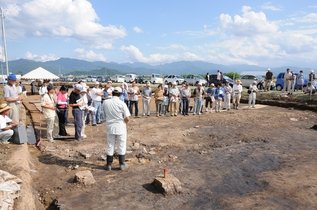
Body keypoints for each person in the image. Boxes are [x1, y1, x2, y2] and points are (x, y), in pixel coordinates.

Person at [102, 87, 131, 171]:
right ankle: (121, 164)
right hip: (120, 126)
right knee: (121, 144)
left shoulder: (105, 102)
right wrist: (124, 122)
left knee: (110, 144)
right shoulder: (122, 104)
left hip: (110, 126)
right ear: (120, 94)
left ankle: (108, 164)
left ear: (112, 93)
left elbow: (104, 112)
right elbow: (127, 118)